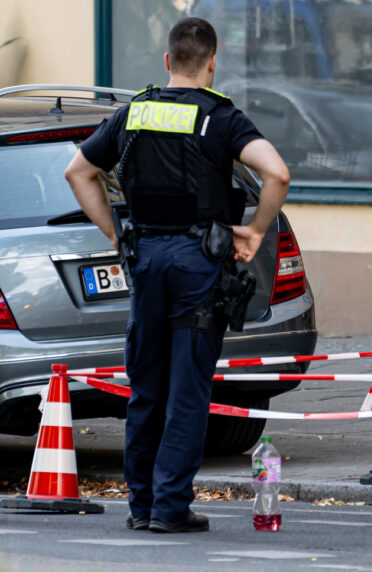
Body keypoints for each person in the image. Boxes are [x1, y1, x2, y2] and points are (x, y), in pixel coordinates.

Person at [64, 17, 290, 533]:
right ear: (214, 61)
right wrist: (254, 230)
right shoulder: (221, 117)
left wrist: (117, 235)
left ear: (167, 62)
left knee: (146, 387)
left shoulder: (134, 112)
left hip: (145, 260)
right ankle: (170, 508)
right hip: (196, 264)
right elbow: (277, 173)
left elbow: (78, 171)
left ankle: (140, 507)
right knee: (188, 390)